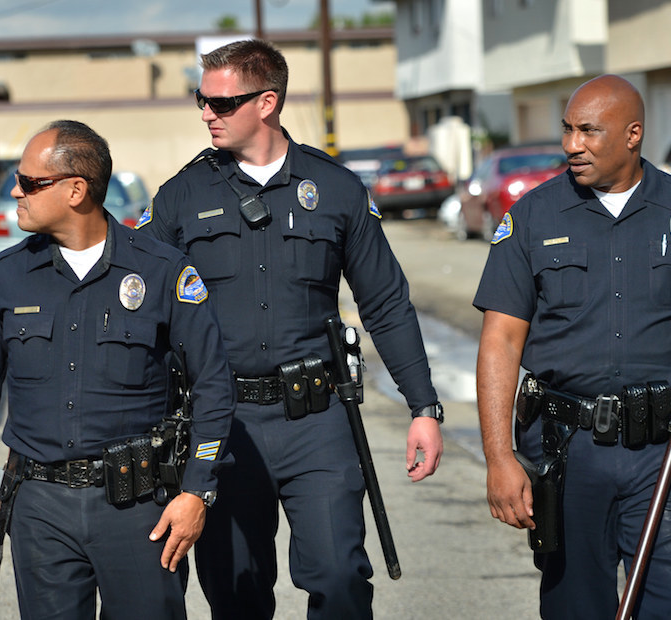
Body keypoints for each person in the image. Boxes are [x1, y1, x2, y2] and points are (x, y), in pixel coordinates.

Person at [137, 38, 444, 619]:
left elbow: (386, 304)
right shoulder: (181, 196)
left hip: (317, 419)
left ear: (267, 102)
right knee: (237, 593)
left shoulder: (336, 189)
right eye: (201, 100)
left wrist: (423, 406)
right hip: (223, 425)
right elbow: (144, 314)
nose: (207, 113)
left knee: (340, 579)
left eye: (222, 103)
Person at [474, 75, 671, 619]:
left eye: (588, 131)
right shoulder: (533, 218)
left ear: (633, 134)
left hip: (669, 453)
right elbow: (501, 340)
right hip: (569, 453)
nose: (572, 144)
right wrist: (499, 456)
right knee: (576, 608)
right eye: (567, 129)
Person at [0, 120, 235, 619]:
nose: (15, 192)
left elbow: (215, 389)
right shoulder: (7, 277)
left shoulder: (161, 271)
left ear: (76, 190)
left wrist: (198, 489)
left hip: (138, 511)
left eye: (29, 182)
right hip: (39, 509)